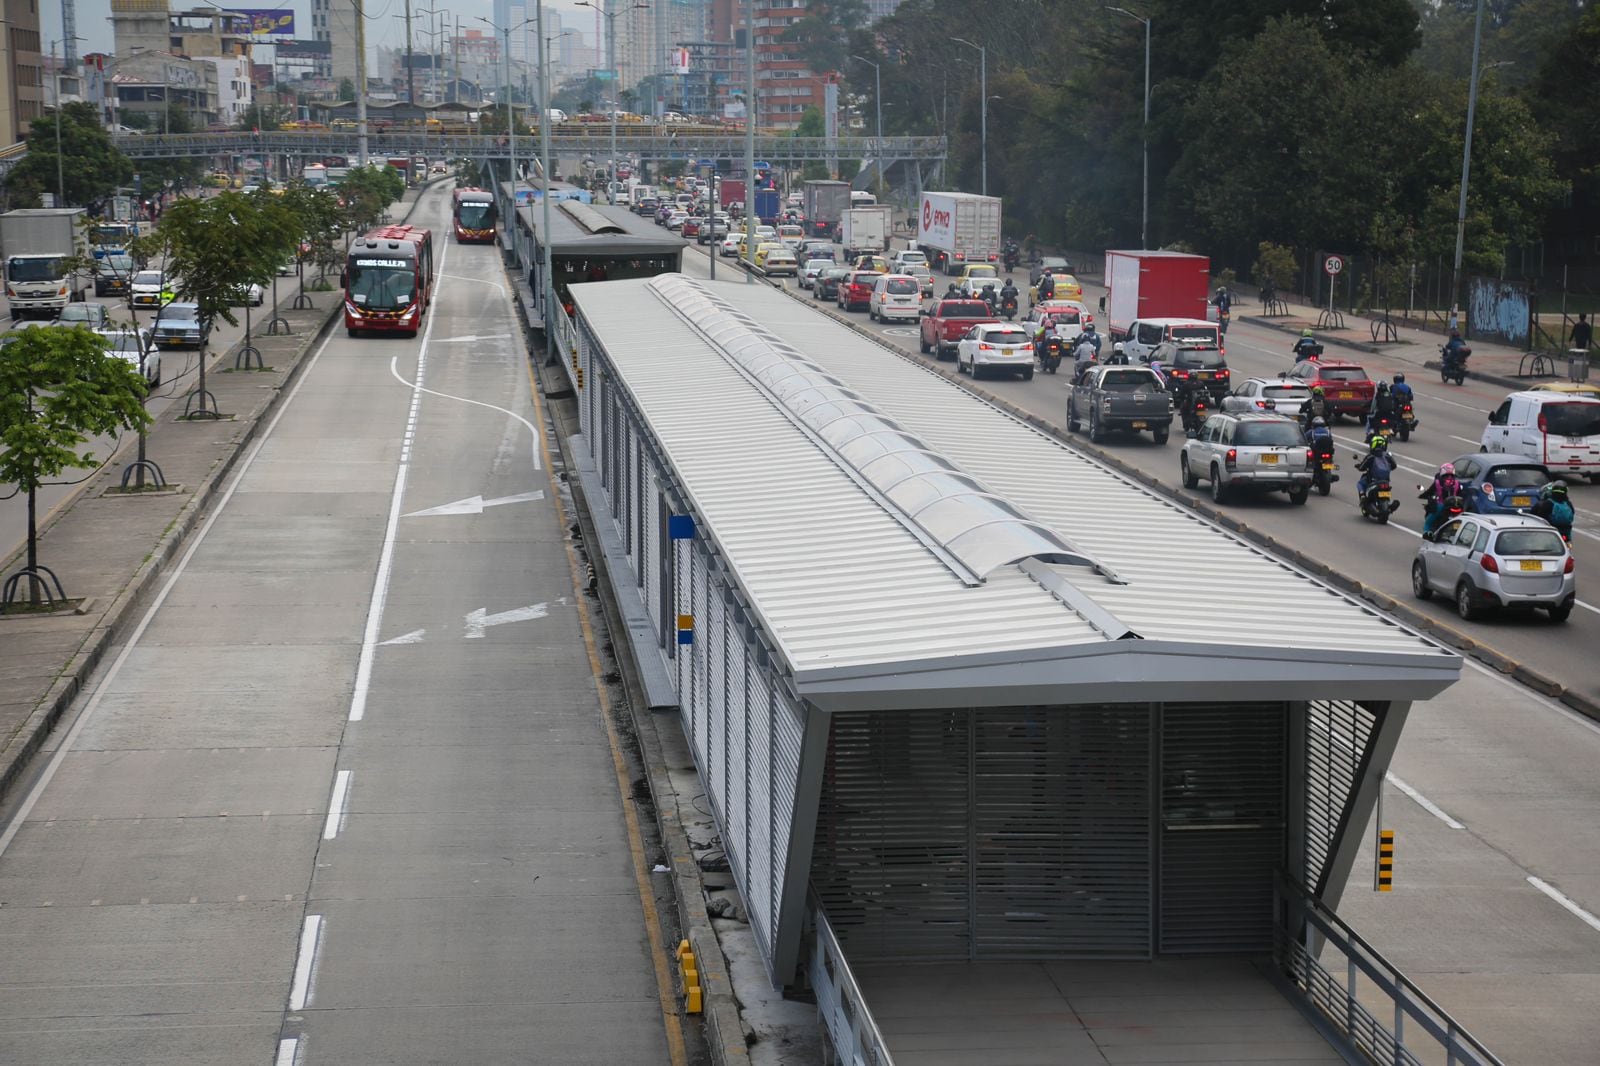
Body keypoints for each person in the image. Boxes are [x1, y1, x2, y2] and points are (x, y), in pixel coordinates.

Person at [1419, 462, 1464, 536]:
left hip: (1442, 505)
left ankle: (1426, 531)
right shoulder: (1457, 483)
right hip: (1456, 506)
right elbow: (1461, 495)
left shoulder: (1438, 483)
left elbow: (1430, 491)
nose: (1449, 477)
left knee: (1429, 521)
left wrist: (1423, 496)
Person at [1356, 435, 1396, 499]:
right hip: (1386, 481)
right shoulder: (1387, 456)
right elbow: (1394, 466)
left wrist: (1359, 466)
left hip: (1373, 480)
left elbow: (1361, 468)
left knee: (1360, 483)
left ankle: (1363, 496)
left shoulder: (1370, 456)